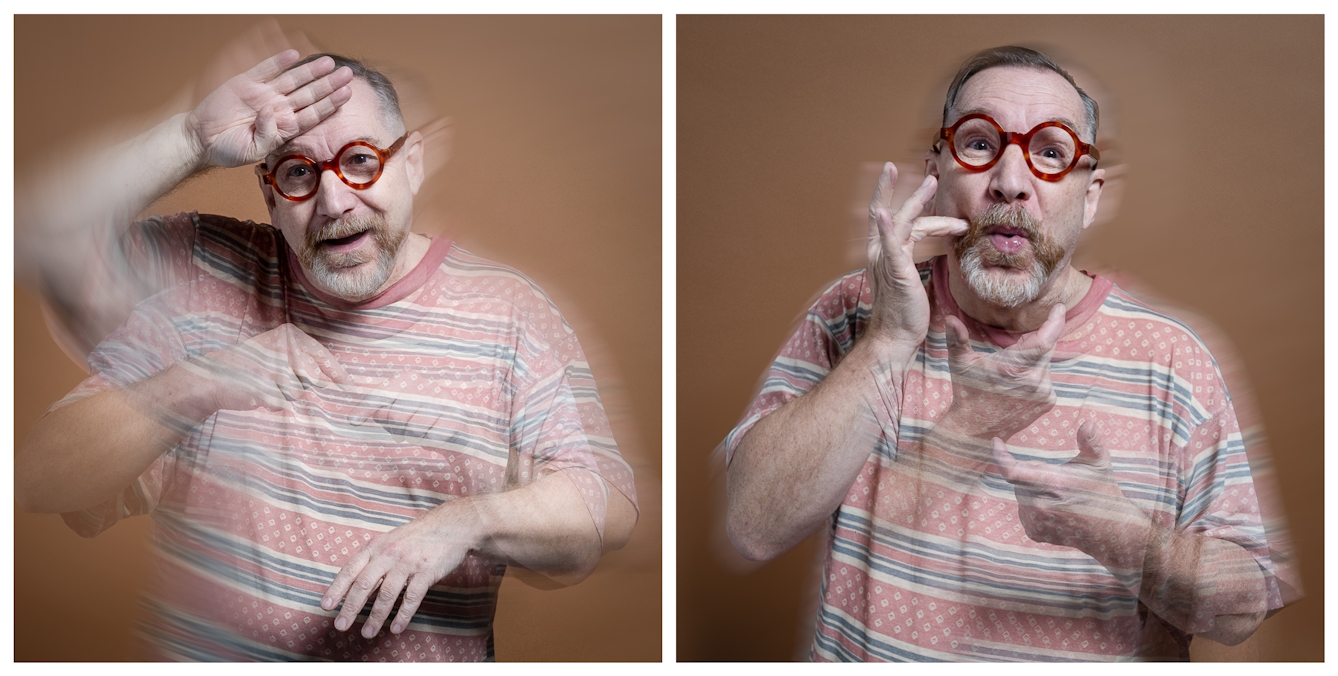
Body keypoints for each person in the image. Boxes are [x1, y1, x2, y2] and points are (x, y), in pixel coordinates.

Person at [15, 48, 637, 662]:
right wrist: (188, 138)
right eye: (298, 172)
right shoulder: (204, 274)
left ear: (412, 164)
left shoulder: (510, 314)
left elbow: (603, 505)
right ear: (270, 195)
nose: (335, 201)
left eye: (361, 161)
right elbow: (36, 476)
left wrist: (465, 521)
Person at [722, 46, 1291, 661]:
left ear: (1091, 194)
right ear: (935, 172)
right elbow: (753, 526)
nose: (1011, 183)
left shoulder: (1173, 360)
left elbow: (1241, 610)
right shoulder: (858, 308)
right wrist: (887, 342)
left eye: (1050, 152)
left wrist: (1125, 537)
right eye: (978, 143)